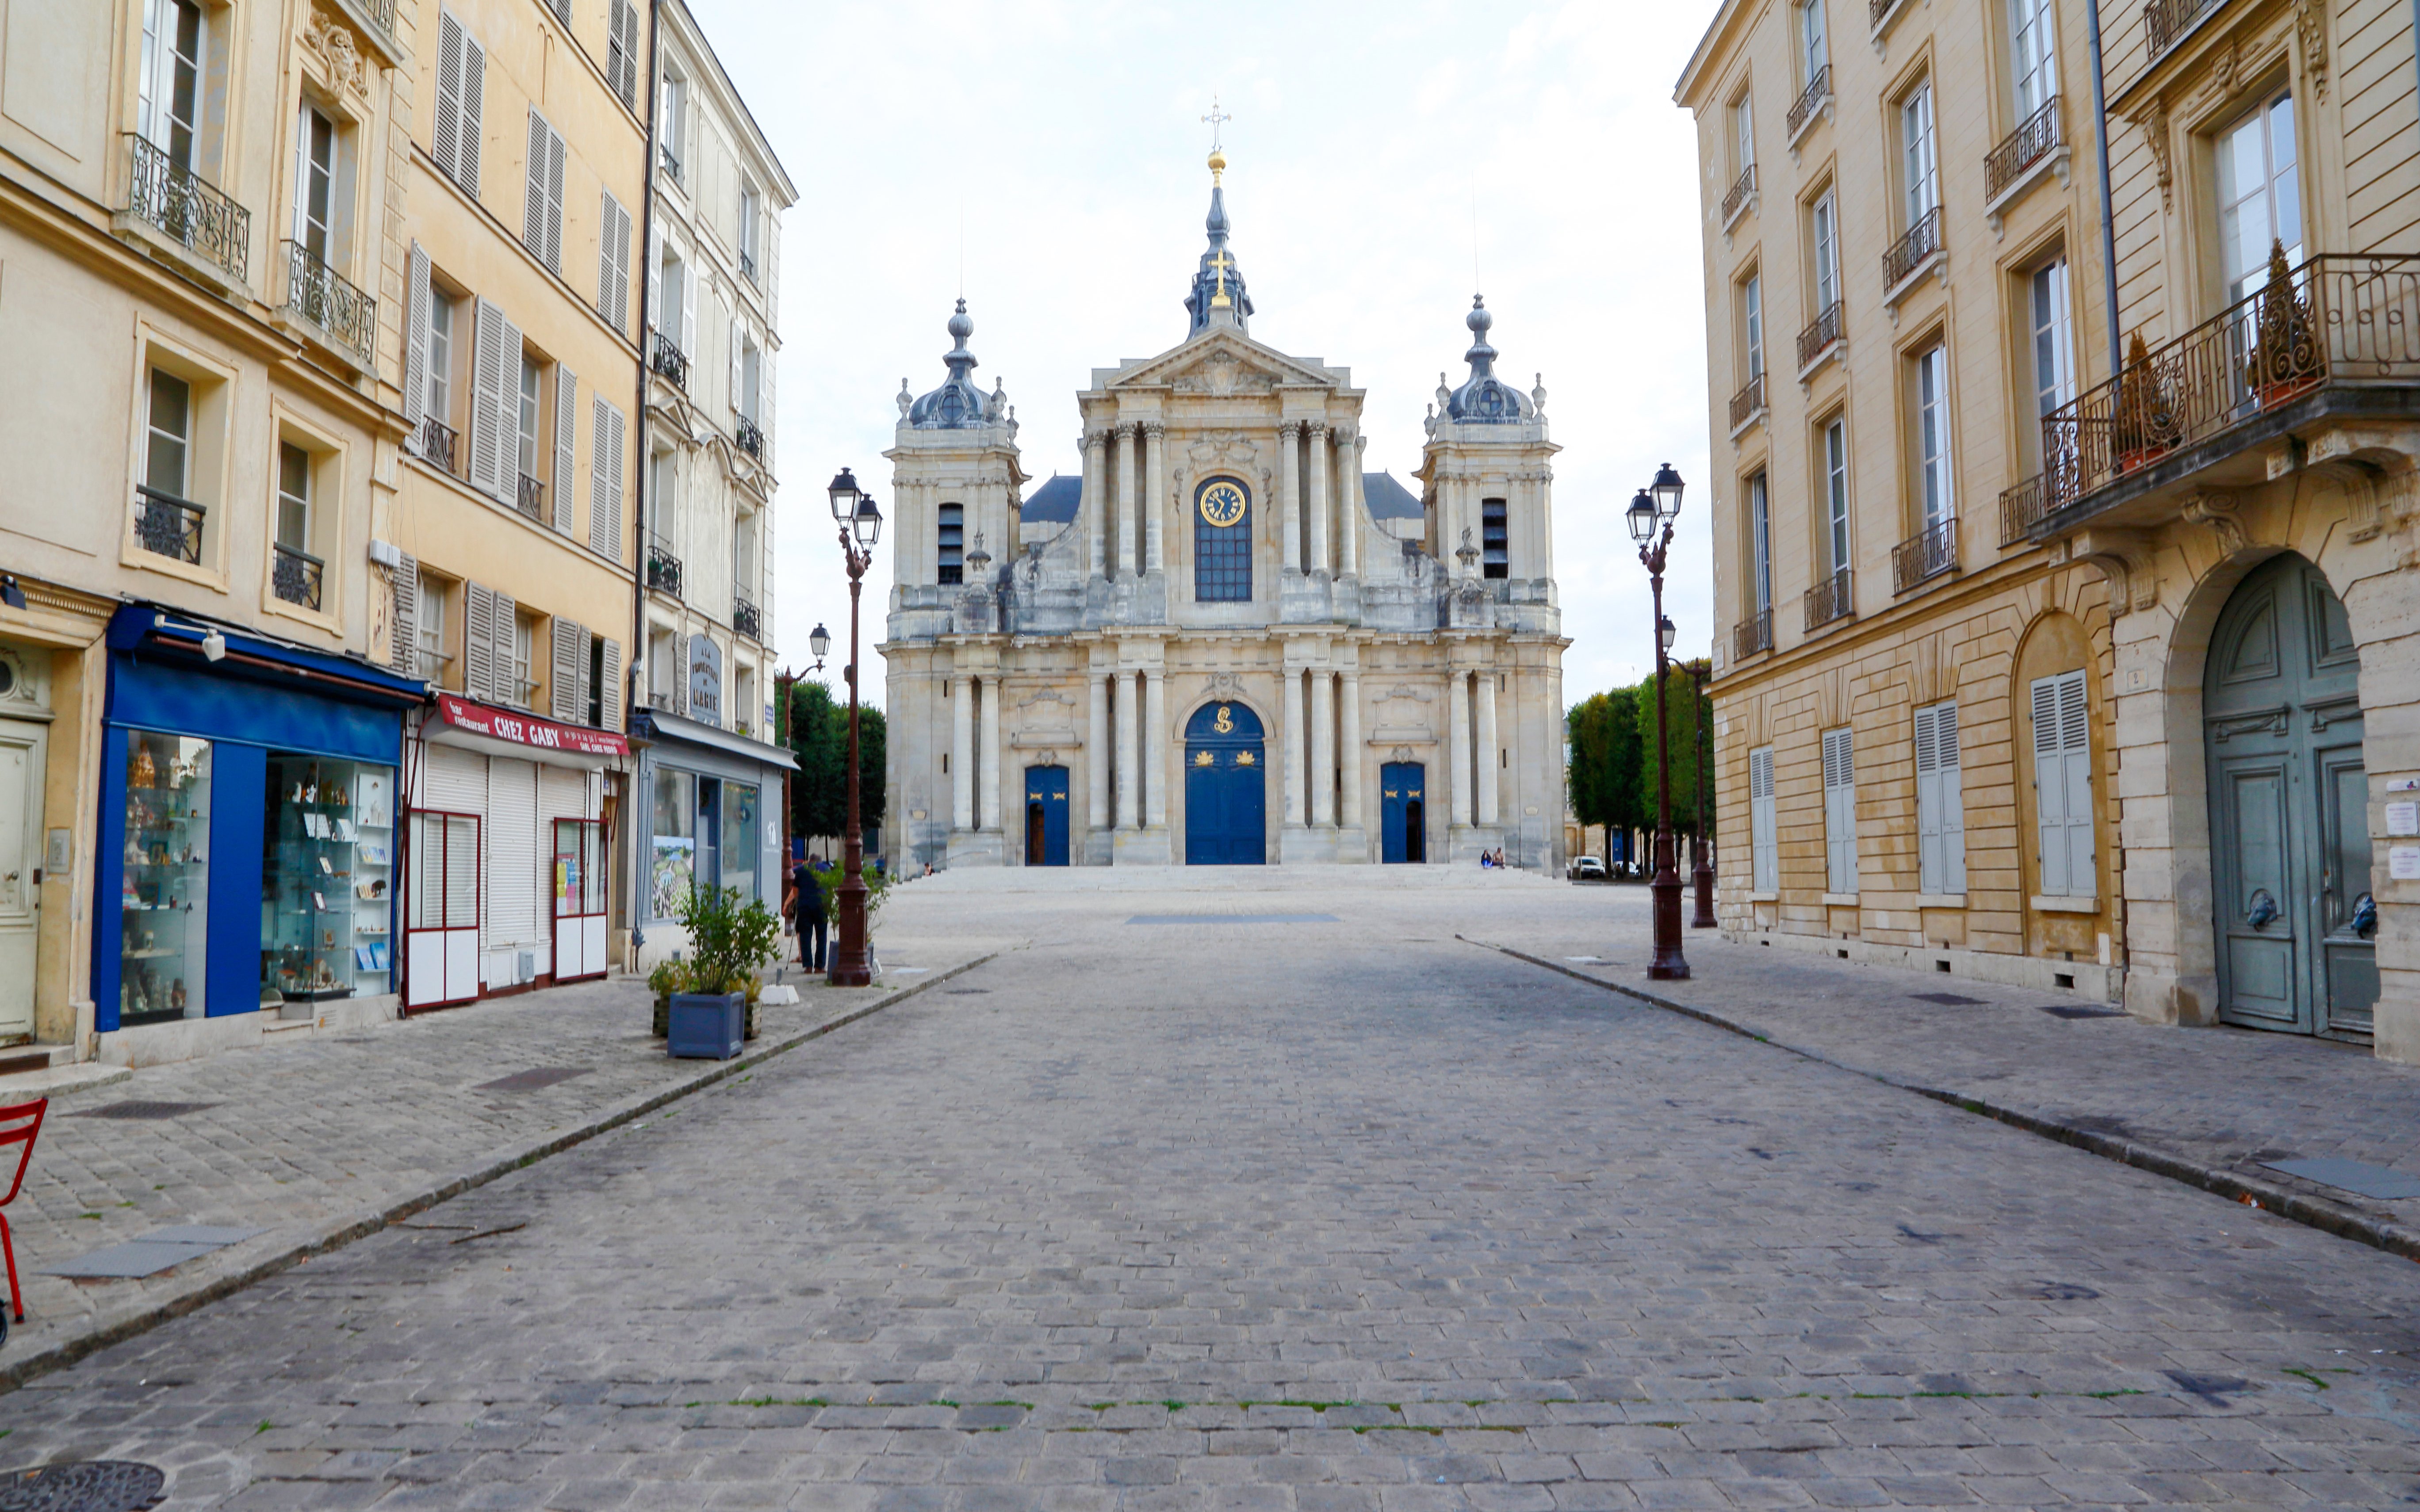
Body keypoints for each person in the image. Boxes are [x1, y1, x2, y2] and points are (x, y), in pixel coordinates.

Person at [789, 855, 827, 971]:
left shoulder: (801, 870)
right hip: (821, 905)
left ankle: (808, 966)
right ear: (820, 862)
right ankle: (820, 967)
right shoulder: (826, 869)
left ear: (810, 861)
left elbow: (795, 891)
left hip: (805, 906)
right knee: (821, 936)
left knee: (805, 935)